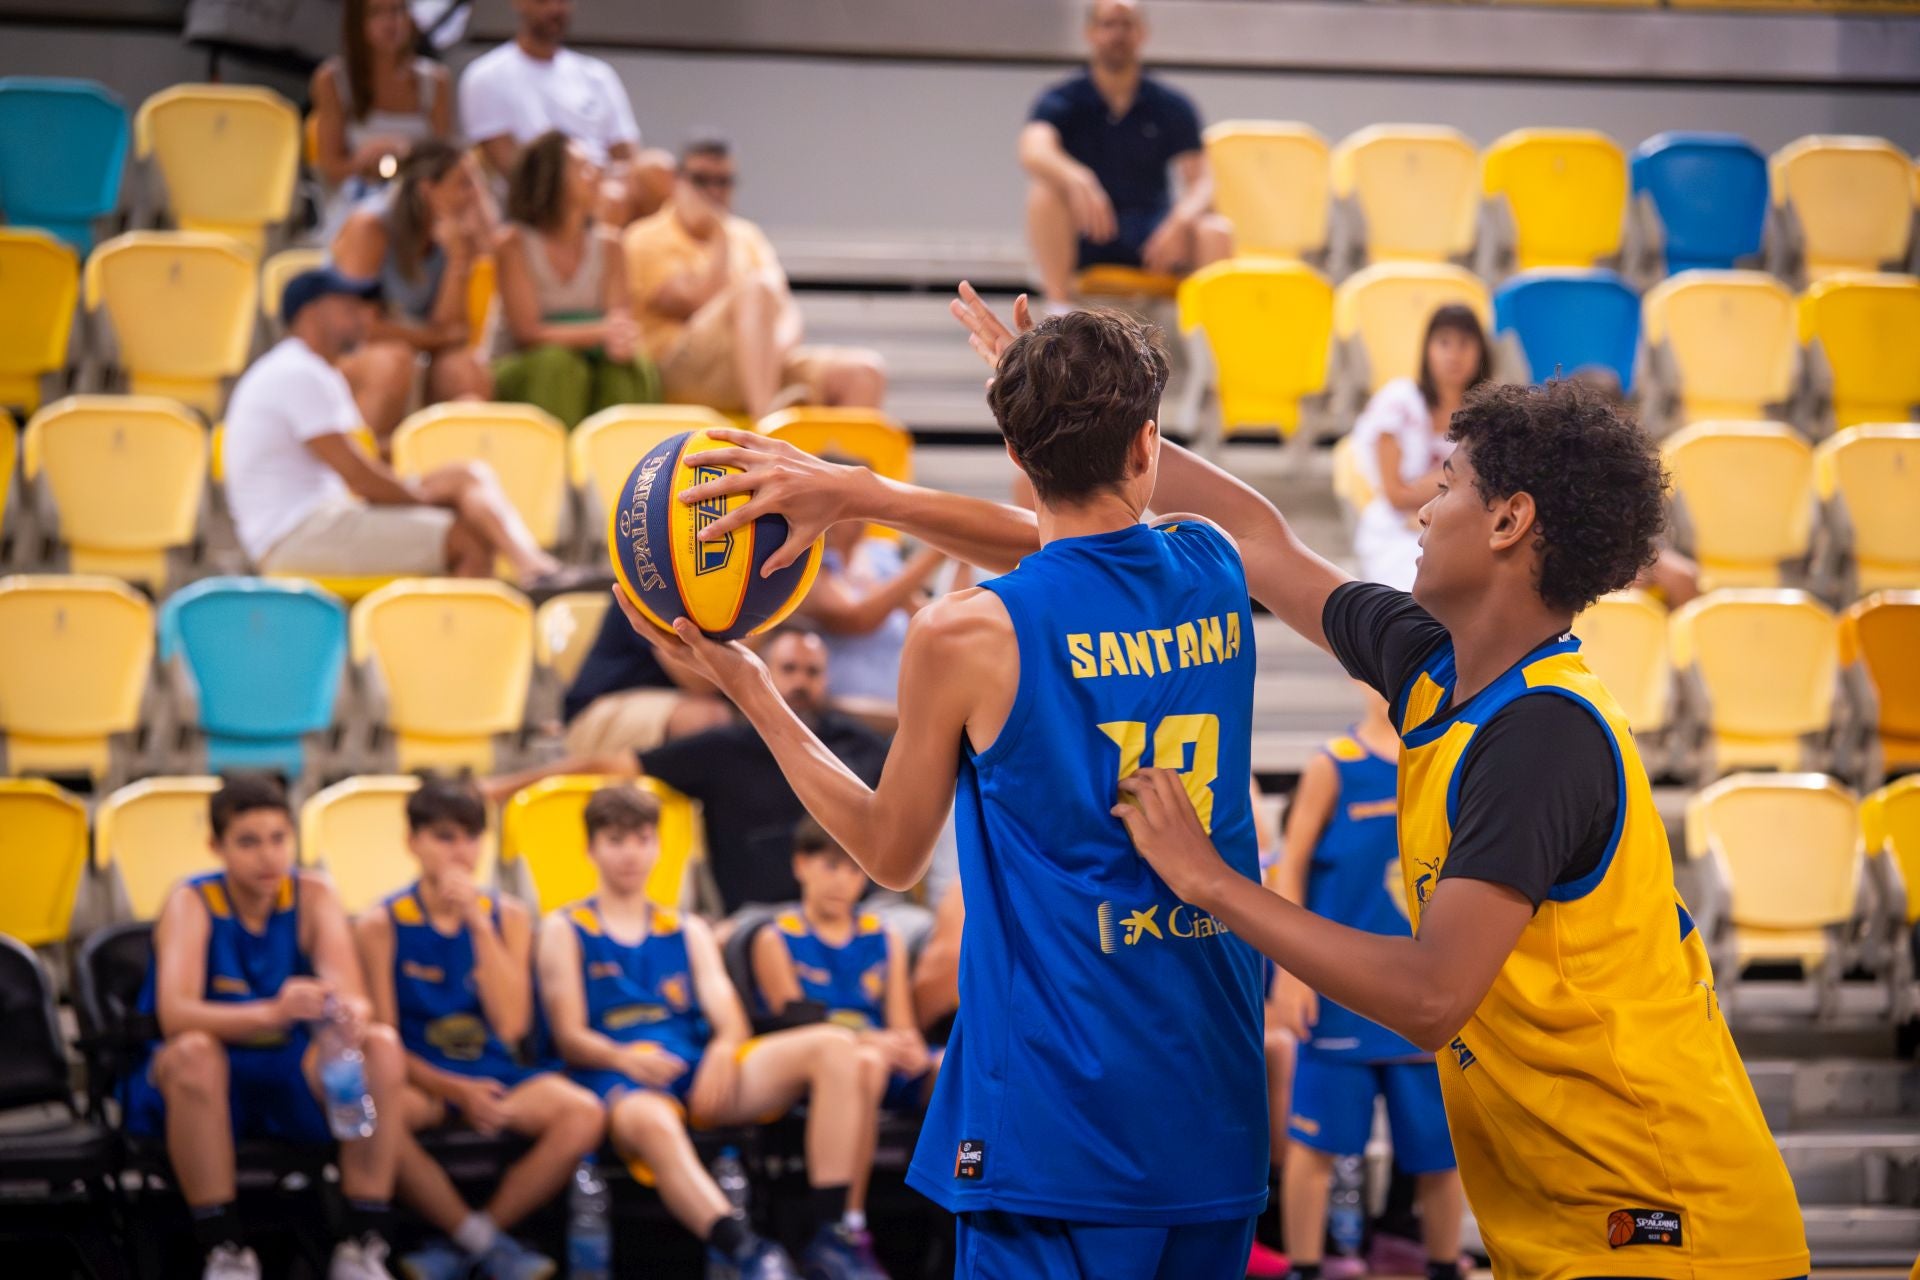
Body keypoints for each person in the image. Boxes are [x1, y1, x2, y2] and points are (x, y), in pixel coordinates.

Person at [643, 284, 1813, 1280]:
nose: (1417, 498)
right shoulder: (1420, 664)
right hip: (1459, 1175)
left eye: (1444, 483)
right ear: (1146, 447)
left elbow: (1425, 995)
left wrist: (1208, 876)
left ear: (1511, 521)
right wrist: (1016, 423)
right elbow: (1198, 535)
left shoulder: (1543, 738)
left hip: (1657, 1205)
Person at [624, 306, 1270, 1279]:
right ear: (1148, 445)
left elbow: (889, 852)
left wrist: (753, 691)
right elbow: (1072, 546)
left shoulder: (964, 634)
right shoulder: (1214, 566)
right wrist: (863, 494)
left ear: (1011, 448)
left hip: (1060, 1106)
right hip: (1211, 1097)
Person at [535, 785, 889, 1279]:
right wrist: (621, 1059)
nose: (631, 853)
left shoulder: (687, 928)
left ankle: (832, 1232)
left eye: (641, 838)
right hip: (616, 1078)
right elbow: (569, 1034)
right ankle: (745, 1248)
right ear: (592, 848)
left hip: (694, 1068)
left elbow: (728, 1018)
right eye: (616, 840)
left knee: (837, 1047)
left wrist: (725, 1047)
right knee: (655, 1124)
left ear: (659, 845)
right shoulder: (564, 927)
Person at [122, 775, 406, 1280]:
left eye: (279, 839)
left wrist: (346, 1013)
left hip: (289, 1072)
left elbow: (356, 998)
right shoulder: (191, 901)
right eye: (249, 842)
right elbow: (176, 1014)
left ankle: (361, 1243)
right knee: (192, 1051)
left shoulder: (315, 894)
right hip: (204, 1083)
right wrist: (272, 1013)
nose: (268, 856)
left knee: (379, 1045)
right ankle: (225, 1247)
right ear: (217, 846)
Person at [353, 777, 606, 1280]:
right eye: (445, 837)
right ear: (413, 841)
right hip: (424, 1076)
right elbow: (383, 1041)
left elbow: (512, 1022)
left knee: (583, 1113)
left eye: (471, 838)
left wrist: (476, 922)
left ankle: (477, 1237)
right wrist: (454, 1090)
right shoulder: (379, 923)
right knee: (373, 1116)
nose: (460, 852)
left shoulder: (506, 915)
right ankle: (480, 1241)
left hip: (493, 1071)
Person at [223, 266, 585, 592]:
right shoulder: (300, 371)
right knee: (467, 539)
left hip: (309, 527)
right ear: (310, 314)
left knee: (465, 477)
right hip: (296, 536)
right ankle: (519, 586)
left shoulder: (306, 370)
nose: (363, 316)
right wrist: (425, 496)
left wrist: (436, 483)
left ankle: (533, 566)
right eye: (347, 307)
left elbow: (357, 461)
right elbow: (360, 479)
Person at [485, 627, 889, 914]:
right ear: (764, 674)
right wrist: (503, 787)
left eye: (813, 672)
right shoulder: (723, 748)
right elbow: (611, 766)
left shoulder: (856, 741)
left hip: (863, 915)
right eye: (789, 669)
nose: (801, 682)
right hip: (761, 923)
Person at [1270, 689, 1463, 1280]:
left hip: (1419, 991)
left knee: (1440, 1154)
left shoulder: (1446, 761)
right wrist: (1290, 969)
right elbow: (1289, 866)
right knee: (1316, 1146)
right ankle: (1304, 1267)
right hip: (1340, 994)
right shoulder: (1334, 765)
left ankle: (1443, 1264)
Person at [751, 817, 938, 1231]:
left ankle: (956, 1207)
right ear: (801, 866)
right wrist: (875, 1041)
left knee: (951, 1069)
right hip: (827, 1070)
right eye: (831, 866)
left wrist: (907, 1047)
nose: (842, 881)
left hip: (887, 1058)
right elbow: (798, 1025)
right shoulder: (776, 937)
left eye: (854, 868)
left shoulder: (883, 936)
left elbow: (904, 1027)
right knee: (863, 1062)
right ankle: (848, 1223)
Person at [623, 137, 886, 419]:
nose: (713, 191)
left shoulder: (748, 235)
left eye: (723, 181)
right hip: (682, 367)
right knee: (756, 288)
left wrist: (773, 352)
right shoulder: (645, 237)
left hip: (757, 365)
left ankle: (832, 460)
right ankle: (767, 421)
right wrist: (719, 235)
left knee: (864, 373)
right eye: (701, 180)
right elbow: (691, 301)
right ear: (678, 182)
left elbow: (787, 311)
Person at [1020, 0, 1231, 307]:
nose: (1117, 34)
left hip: (1152, 235)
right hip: (1090, 230)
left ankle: (1212, 340)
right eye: (1108, 24)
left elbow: (1203, 181)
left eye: (1126, 25)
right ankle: (1059, 310)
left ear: (1141, 33)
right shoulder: (1063, 99)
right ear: (1091, 33)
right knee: (1043, 192)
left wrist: (1180, 221)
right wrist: (1076, 176)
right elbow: (1033, 149)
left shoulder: (1170, 103)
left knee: (1216, 231)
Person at [493, 130, 661, 427]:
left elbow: (617, 325)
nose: (596, 174)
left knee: (627, 367)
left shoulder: (610, 245)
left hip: (589, 362)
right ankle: (551, 469)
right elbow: (527, 332)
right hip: (524, 362)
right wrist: (600, 333)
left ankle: (627, 469)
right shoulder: (513, 243)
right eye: (583, 167)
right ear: (550, 178)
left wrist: (618, 341)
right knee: (558, 365)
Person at [333, 141, 495, 440]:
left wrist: (458, 259)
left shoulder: (455, 235)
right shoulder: (369, 226)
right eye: (463, 184)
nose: (474, 195)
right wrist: (433, 338)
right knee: (393, 361)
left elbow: (455, 331)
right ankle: (367, 468)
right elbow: (356, 325)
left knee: (465, 369)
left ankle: (452, 473)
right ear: (426, 189)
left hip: (412, 348)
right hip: (343, 354)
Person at [457, 0, 673, 223]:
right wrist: (581, 181)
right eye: (543, 1)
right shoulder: (485, 77)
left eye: (562, 1)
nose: (554, 9)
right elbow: (514, 170)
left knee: (657, 168)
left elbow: (628, 156)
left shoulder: (598, 75)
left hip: (604, 183)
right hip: (541, 196)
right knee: (611, 201)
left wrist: (597, 178)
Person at [1347, 304, 1491, 591]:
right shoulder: (1398, 402)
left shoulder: (1489, 413)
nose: (1454, 354)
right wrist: (1463, 475)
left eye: (1465, 343)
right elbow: (1396, 494)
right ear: (1427, 348)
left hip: (1468, 528)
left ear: (1481, 352)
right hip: (1399, 529)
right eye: (1444, 342)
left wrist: (1443, 484)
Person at [310, 0, 453, 235]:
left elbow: (446, 163)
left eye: (398, 10)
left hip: (419, 209)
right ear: (356, 22)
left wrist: (407, 156)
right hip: (355, 208)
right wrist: (363, 161)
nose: (391, 23)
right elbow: (331, 169)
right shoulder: (331, 80)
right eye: (376, 13)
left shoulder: (437, 81)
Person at [560, 599, 734, 758]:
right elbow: (702, 680)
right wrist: (759, 619)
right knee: (710, 721)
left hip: (679, 698)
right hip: (597, 711)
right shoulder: (652, 576)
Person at [801, 521, 948, 707]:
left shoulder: (879, 557)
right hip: (841, 714)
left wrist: (962, 559)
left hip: (893, 709)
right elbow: (857, 619)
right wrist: (940, 549)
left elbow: (926, 616)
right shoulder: (814, 563)